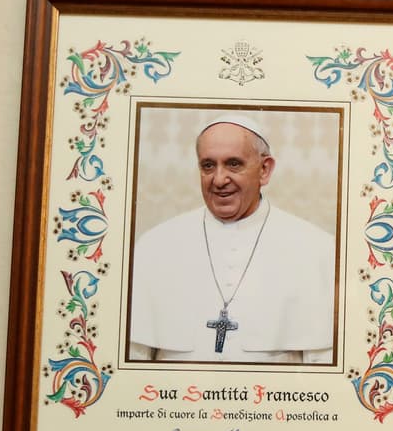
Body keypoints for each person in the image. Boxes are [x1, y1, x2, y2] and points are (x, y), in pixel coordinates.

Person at [128, 115, 336, 363]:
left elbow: (323, 370)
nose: (218, 179)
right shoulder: (154, 247)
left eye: (233, 164)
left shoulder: (316, 249)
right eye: (207, 166)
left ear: (264, 170)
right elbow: (133, 359)